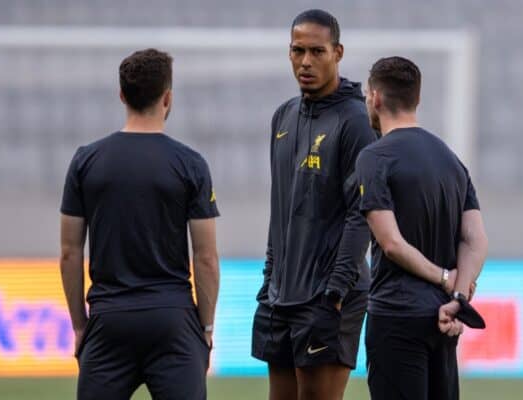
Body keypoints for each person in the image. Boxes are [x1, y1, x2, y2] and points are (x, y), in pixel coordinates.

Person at [59, 48, 220, 400]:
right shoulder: (190, 164)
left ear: (122, 95)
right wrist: (205, 329)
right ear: (168, 97)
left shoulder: (86, 161)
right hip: (172, 319)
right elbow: (206, 257)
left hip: (109, 318)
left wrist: (79, 326)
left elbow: (70, 253)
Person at [251, 9, 376, 400]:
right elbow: (282, 207)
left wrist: (336, 288)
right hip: (281, 293)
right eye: (297, 50)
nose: (305, 62)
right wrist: (271, 275)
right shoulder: (283, 116)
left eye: (317, 51)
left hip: (328, 296)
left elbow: (363, 213)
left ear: (338, 52)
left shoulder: (355, 121)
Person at [356, 56, 488, 400]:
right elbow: (475, 240)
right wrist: (457, 296)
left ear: (376, 98)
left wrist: (444, 277)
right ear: (416, 99)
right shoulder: (451, 160)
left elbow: (391, 244)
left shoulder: (374, 157)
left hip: (396, 316)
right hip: (444, 319)